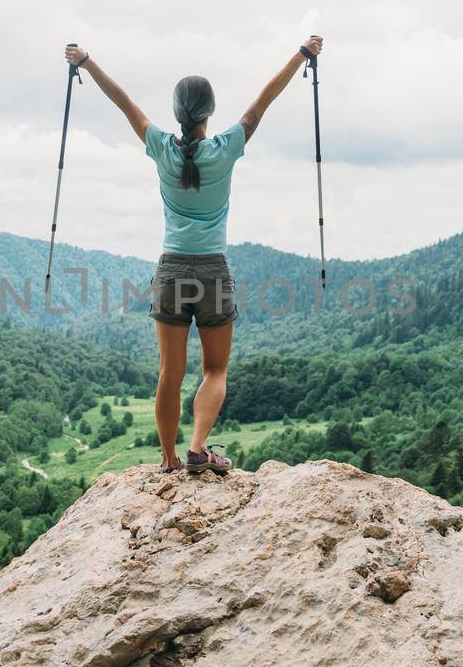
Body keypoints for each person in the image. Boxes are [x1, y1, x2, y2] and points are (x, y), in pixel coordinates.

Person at [64, 36, 324, 474]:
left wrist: (86, 62)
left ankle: (167, 460)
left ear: (177, 111)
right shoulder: (225, 150)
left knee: (169, 373)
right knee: (216, 370)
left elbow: (123, 102)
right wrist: (302, 55)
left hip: (171, 271)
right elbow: (262, 102)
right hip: (213, 272)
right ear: (209, 112)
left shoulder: (163, 148)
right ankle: (199, 449)